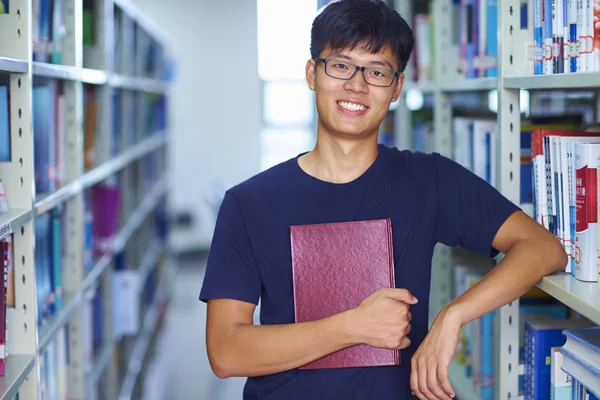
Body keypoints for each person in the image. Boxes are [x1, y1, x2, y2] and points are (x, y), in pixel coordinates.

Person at [199, 1, 567, 399]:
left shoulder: (428, 179)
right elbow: (226, 352)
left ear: (396, 88)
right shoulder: (249, 203)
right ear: (312, 73)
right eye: (340, 65)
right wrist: (354, 326)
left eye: (376, 72)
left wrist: (453, 315)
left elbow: (542, 249)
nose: (357, 86)